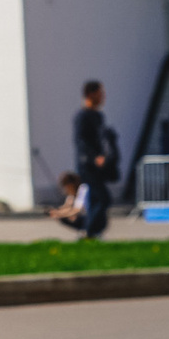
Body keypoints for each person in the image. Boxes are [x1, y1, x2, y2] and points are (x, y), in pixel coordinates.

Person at [72, 80, 114, 239]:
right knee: (103, 198)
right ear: (91, 94)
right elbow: (81, 141)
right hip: (87, 165)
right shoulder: (82, 116)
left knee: (96, 199)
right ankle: (87, 231)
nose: (103, 97)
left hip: (98, 166)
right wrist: (94, 157)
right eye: (100, 93)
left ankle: (95, 232)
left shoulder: (98, 116)